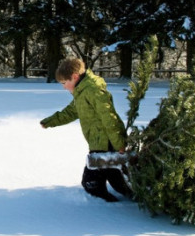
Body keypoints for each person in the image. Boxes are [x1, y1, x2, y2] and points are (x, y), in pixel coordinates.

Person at [40, 57, 132, 202]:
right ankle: (130, 194)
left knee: (91, 182)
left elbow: (109, 116)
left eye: (65, 83)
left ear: (75, 77)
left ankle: (108, 205)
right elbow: (71, 112)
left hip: (105, 141)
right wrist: (50, 122)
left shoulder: (92, 90)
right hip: (98, 141)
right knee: (114, 176)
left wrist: (119, 142)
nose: (64, 87)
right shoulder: (81, 92)